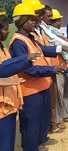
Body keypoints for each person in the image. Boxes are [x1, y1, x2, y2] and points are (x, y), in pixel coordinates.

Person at [9, 3, 68, 151]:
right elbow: (28, 68)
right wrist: (52, 69)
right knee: (31, 123)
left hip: (41, 85)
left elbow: (43, 49)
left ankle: (41, 141)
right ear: (21, 22)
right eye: (31, 20)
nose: (35, 22)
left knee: (42, 118)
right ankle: (31, 147)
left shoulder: (30, 37)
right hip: (30, 90)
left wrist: (62, 48)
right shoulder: (18, 42)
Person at [0, 14, 41, 151]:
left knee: (9, 141)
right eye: (5, 29)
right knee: (4, 143)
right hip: (2, 105)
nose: (8, 32)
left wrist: (24, 59)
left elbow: (6, 63)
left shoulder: (3, 47)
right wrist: (25, 59)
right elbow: (3, 69)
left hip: (10, 103)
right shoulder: (17, 41)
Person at [49, 9, 68, 132]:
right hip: (58, 66)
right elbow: (61, 43)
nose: (60, 23)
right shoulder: (51, 32)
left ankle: (64, 116)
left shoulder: (56, 31)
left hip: (64, 65)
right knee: (59, 94)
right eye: (57, 21)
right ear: (51, 21)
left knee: (64, 93)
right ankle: (58, 120)